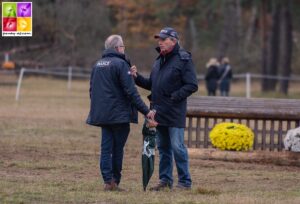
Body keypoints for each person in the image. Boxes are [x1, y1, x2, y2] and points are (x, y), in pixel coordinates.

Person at [131, 27, 198, 191]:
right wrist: (136, 78)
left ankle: (185, 182)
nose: (159, 42)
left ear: (173, 41)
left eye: (163, 39)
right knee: (163, 149)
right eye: (158, 40)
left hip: (175, 113)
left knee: (177, 147)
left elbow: (192, 85)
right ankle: (165, 180)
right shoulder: (158, 60)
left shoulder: (184, 59)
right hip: (158, 113)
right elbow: (151, 85)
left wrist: (174, 97)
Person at [86, 34, 156, 191]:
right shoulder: (120, 64)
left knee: (106, 148)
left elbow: (92, 91)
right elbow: (131, 92)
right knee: (117, 149)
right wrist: (146, 111)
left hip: (102, 115)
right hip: (119, 116)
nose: (124, 49)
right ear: (118, 48)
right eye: (123, 46)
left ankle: (107, 181)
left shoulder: (97, 65)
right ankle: (114, 182)